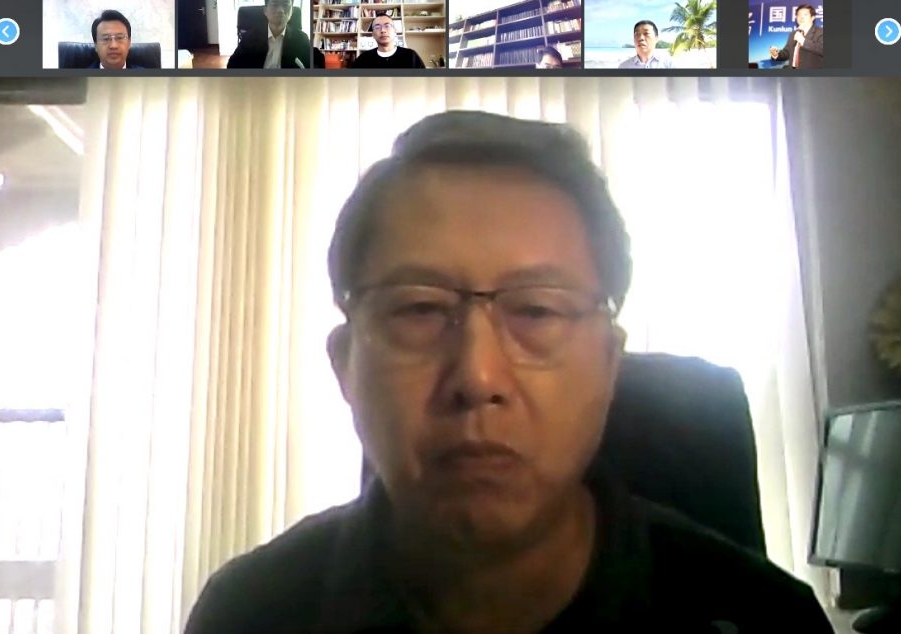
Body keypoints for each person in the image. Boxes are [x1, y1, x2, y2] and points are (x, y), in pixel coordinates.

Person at [184, 111, 834, 633]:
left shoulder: (766, 620)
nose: (477, 377)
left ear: (608, 364)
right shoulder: (250, 613)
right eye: (418, 309)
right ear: (346, 365)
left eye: (537, 310)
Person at [227, 0, 311, 69]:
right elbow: (232, 66)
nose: (280, 10)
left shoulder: (302, 39)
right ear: (265, 11)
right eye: (275, 4)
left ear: (292, 11)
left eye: (285, 5)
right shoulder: (250, 37)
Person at [352, 14, 426, 69]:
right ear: (373, 34)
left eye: (387, 26)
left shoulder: (411, 56)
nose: (383, 30)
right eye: (377, 27)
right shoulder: (363, 59)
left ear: (395, 31)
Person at [769, 4, 824, 69]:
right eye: (799, 15)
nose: (801, 17)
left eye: (805, 15)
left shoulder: (820, 32)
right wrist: (776, 54)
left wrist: (803, 41)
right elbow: (787, 52)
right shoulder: (793, 34)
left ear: (813, 17)